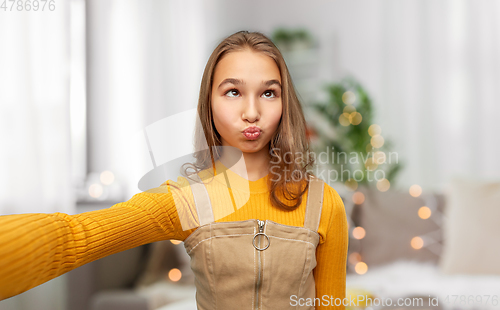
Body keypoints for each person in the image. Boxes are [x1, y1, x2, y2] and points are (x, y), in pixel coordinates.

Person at [0, 30, 348, 309]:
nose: (252, 112)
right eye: (232, 92)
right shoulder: (188, 199)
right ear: (208, 104)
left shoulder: (323, 203)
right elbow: (77, 236)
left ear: (285, 102)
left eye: (269, 93)